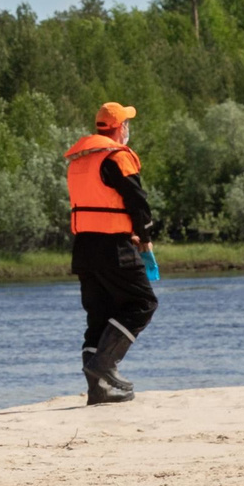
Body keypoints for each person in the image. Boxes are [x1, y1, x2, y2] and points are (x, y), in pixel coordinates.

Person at [65, 101, 158, 405]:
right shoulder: (118, 157)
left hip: (84, 249)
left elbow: (100, 202)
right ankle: (104, 365)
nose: (128, 128)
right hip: (113, 247)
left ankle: (98, 390)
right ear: (120, 128)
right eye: (127, 123)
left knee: (99, 316)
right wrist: (145, 237)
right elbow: (136, 200)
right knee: (143, 303)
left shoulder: (79, 161)